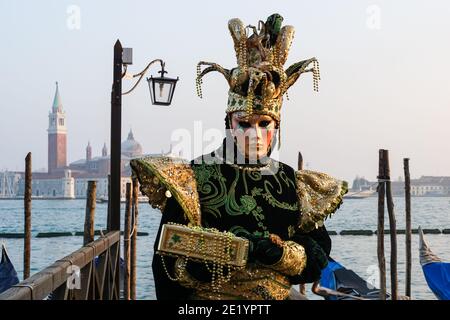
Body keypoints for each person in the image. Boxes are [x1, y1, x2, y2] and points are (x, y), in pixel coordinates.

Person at [130, 14, 347, 300]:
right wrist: (229, 253)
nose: (254, 133)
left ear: (276, 126)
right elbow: (166, 264)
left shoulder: (290, 181)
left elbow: (318, 255)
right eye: (244, 123)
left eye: (263, 124)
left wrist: (283, 255)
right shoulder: (194, 176)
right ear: (229, 123)